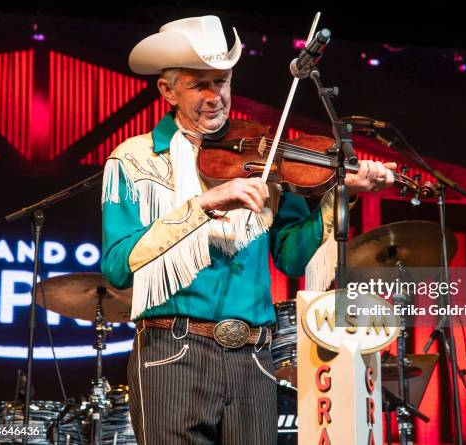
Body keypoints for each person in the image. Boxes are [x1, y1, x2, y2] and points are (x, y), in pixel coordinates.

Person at [101, 15, 396, 445]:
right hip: (172, 354)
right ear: (167, 91)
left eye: (222, 81)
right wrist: (202, 206)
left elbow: (292, 257)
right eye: (199, 84)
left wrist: (339, 197)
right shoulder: (134, 160)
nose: (215, 97)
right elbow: (116, 267)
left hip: (254, 357)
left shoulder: (266, 156)